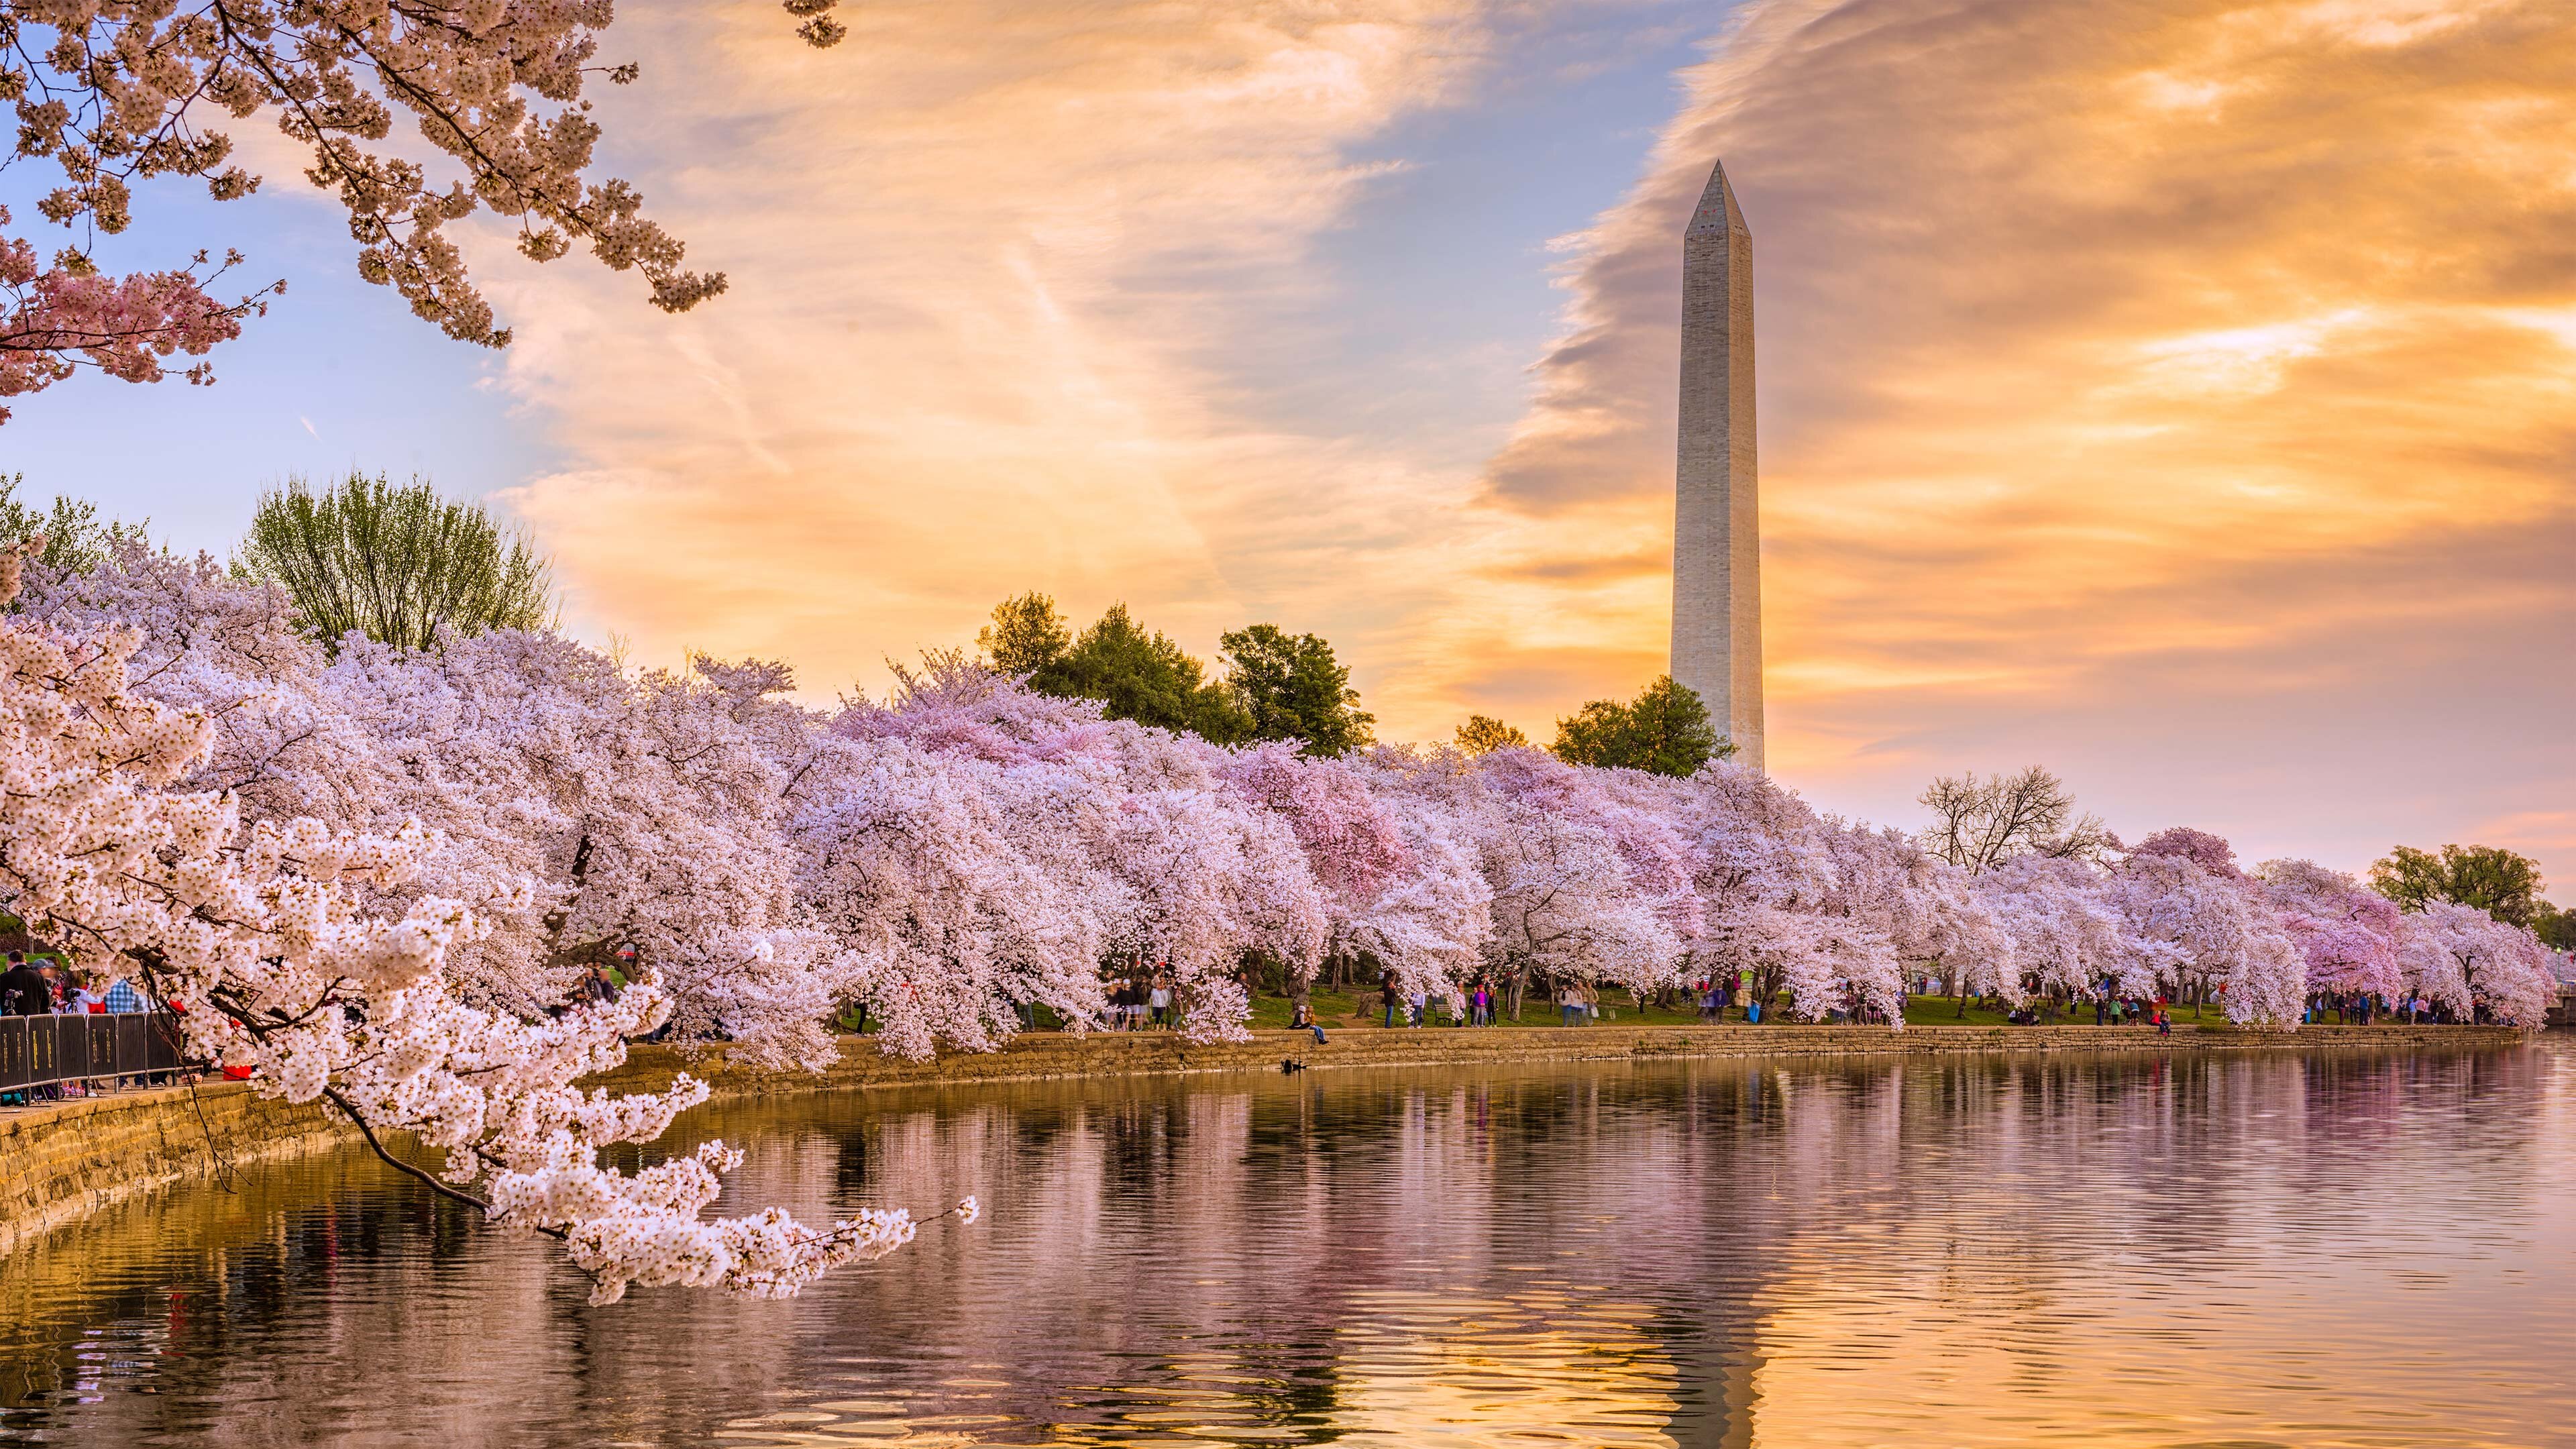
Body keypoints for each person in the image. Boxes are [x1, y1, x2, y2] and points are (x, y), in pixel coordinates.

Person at [0, 952, 48, 1016]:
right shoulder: (39, 977)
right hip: (34, 1021)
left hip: (11, 1022)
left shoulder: (4, 977)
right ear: (25, 961)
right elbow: (45, 1000)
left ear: (10, 962)